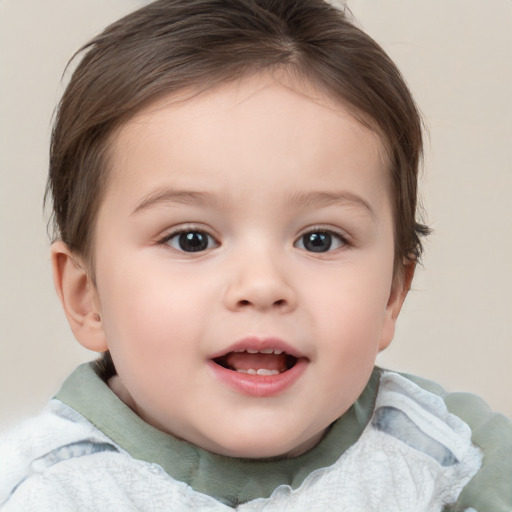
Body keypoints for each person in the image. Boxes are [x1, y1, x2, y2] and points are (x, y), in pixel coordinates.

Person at [1, 0, 510, 510]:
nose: (262, 285)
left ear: (391, 296)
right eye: (191, 239)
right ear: (87, 297)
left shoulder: (451, 452)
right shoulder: (49, 489)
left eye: (319, 239)